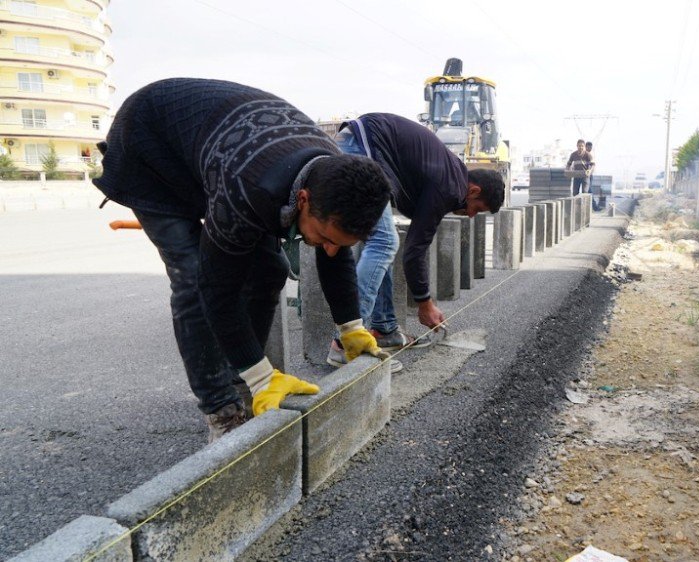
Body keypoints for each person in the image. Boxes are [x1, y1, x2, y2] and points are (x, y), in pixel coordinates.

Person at [93, 78, 392, 442]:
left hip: (221, 150)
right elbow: (217, 290)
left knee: (271, 269)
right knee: (192, 276)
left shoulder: (333, 180)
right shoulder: (250, 189)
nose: (329, 249)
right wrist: (261, 375)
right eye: (326, 238)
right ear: (302, 199)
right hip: (151, 148)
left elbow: (335, 253)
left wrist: (351, 328)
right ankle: (222, 408)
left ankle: (244, 380)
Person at [325, 113, 506, 369]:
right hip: (362, 148)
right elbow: (414, 250)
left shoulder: (450, 176)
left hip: (362, 145)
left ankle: (385, 328)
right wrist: (425, 304)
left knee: (379, 243)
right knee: (385, 242)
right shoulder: (450, 186)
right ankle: (346, 345)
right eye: (478, 208)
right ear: (474, 190)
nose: (472, 214)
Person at [584, 141, 603, 211]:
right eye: (588, 147)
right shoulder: (584, 155)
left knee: (589, 191)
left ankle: (594, 207)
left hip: (590, 175)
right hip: (585, 175)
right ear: (586, 147)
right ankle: (594, 207)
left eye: (591, 147)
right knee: (588, 191)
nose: (590, 148)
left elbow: (592, 165)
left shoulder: (590, 155)